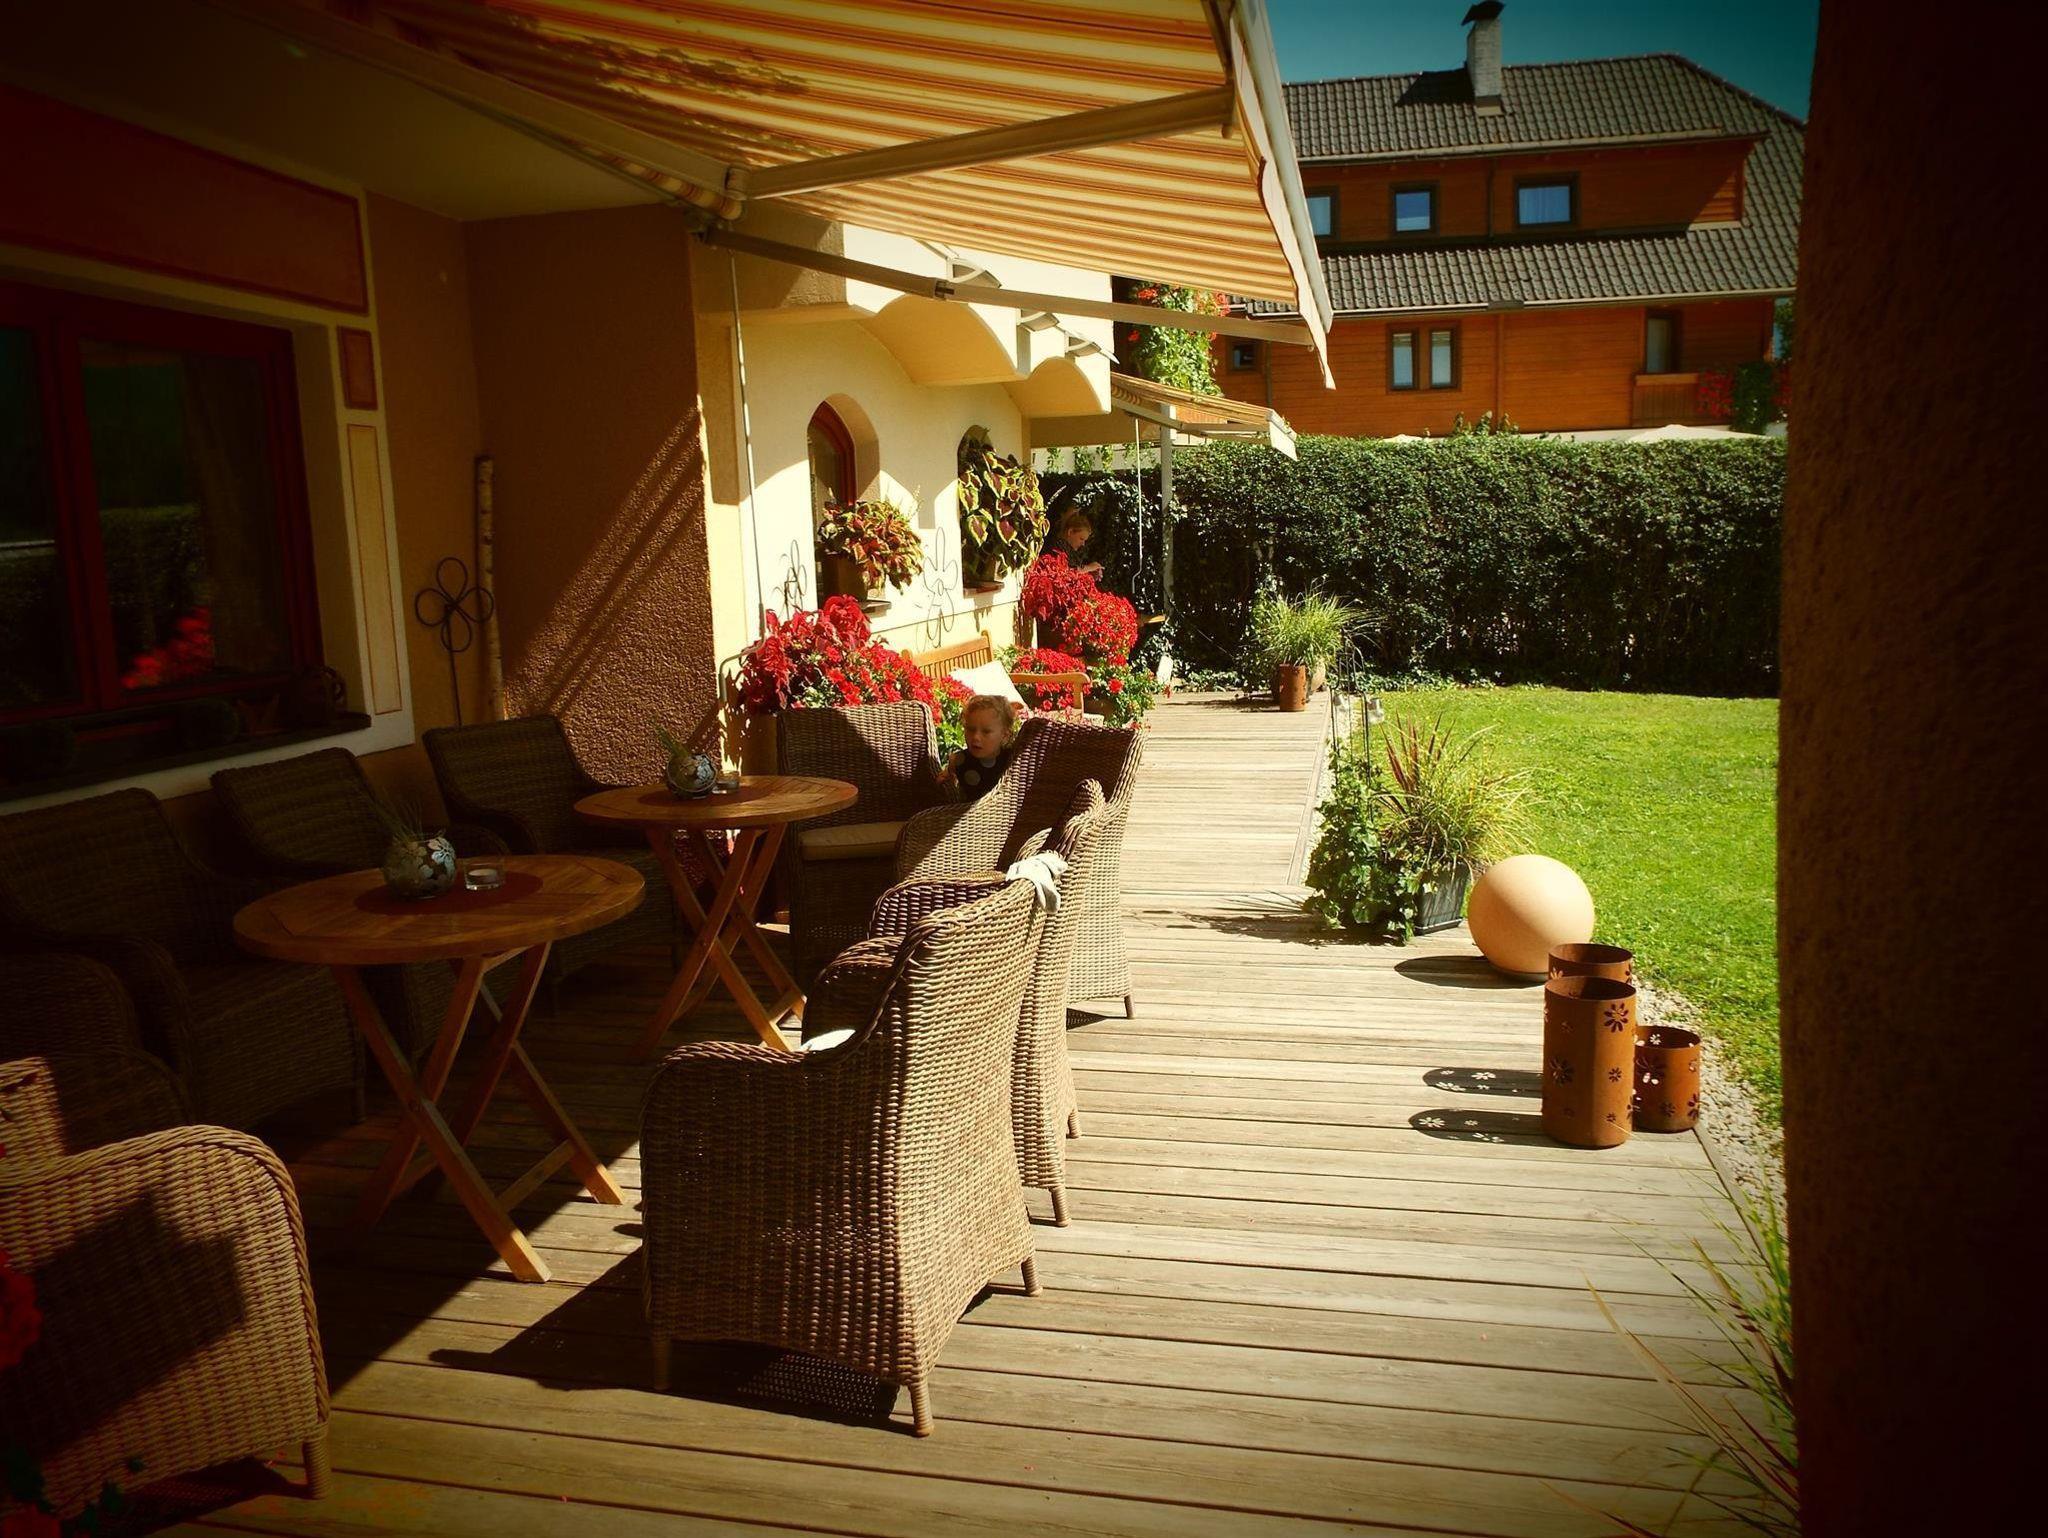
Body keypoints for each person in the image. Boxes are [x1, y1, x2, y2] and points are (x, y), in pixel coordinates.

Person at [942, 694, 1018, 801]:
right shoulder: (960, 760)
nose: (976, 737)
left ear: (1005, 736)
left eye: (986, 732)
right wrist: (947, 776)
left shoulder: (1011, 761)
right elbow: (949, 776)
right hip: (970, 810)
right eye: (971, 729)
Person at [1045, 506, 1104, 578]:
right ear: (1070, 532)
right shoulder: (1058, 545)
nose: (1083, 544)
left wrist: (1089, 573)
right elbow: (1070, 571)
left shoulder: (1070, 551)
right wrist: (1089, 568)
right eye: (1081, 539)